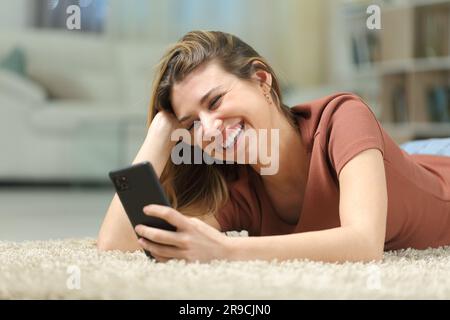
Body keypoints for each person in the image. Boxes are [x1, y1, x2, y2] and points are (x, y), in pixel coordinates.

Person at [97, 30, 450, 264]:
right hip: (402, 156)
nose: (209, 129)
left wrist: (226, 250)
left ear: (262, 81)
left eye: (216, 100)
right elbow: (117, 243)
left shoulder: (343, 116)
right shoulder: (234, 187)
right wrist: (158, 135)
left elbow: (364, 244)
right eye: (192, 123)